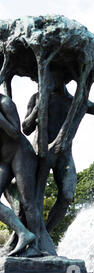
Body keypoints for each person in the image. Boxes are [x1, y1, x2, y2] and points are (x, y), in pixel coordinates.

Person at [22, 66, 94, 233]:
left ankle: (44, 234)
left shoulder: (75, 102)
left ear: (64, 79)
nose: (49, 81)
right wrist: (38, 107)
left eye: (54, 77)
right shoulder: (36, 98)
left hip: (64, 154)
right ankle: (31, 234)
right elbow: (25, 128)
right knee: (33, 198)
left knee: (67, 196)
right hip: (40, 153)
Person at [0, 94, 42, 256]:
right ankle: (23, 233)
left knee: (28, 203)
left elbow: (16, 132)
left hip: (21, 154)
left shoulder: (5, 103)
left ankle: (36, 247)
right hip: (4, 160)